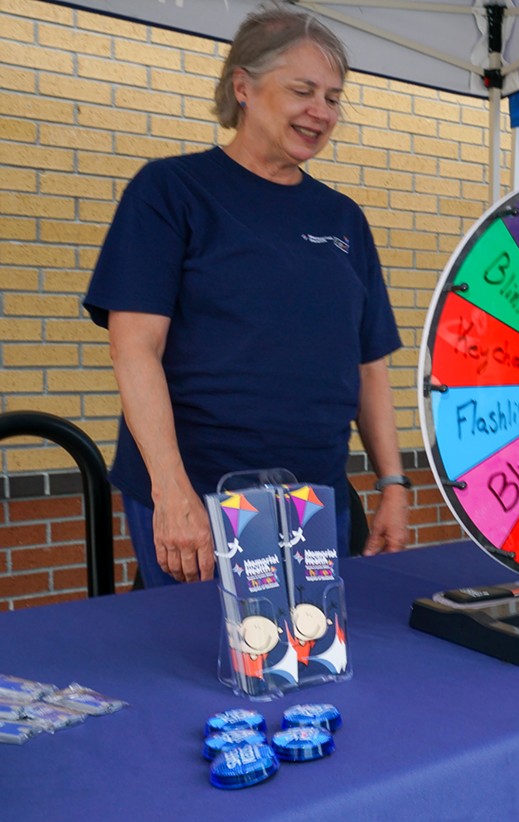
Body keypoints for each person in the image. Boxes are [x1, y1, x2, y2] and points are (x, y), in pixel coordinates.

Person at [83, 5, 409, 587]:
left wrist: (392, 484)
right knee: (201, 666)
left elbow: (369, 368)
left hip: (314, 499)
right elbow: (133, 351)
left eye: (333, 98)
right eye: (303, 90)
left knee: (307, 664)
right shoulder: (171, 192)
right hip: (200, 497)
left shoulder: (343, 219)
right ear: (244, 88)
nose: (321, 111)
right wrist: (171, 490)